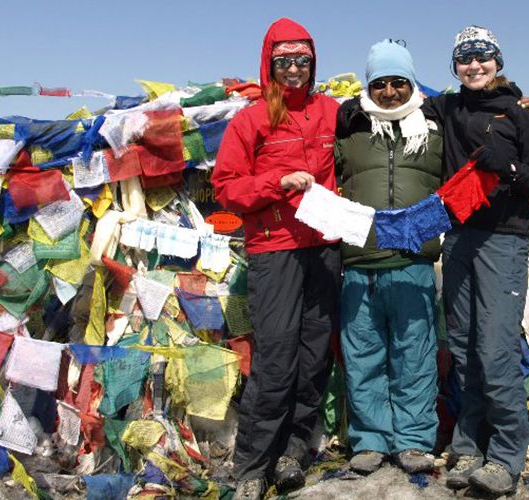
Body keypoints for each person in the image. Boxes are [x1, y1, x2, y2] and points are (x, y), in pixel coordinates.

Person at [426, 26, 529, 495]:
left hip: (503, 240)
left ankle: (506, 454)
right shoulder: (447, 108)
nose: (474, 65)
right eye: (465, 58)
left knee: (496, 348)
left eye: (483, 57)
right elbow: (396, 100)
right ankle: (468, 445)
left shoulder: (519, 114)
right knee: (463, 347)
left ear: (497, 62)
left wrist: (510, 168)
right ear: (454, 66)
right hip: (459, 236)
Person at [211, 18, 341, 500]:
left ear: (313, 63)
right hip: (275, 248)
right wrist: (276, 182)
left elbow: (390, 115)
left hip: (324, 247)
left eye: (301, 61)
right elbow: (226, 188)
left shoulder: (331, 111)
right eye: (283, 61)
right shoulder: (250, 120)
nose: (293, 70)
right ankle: (252, 464)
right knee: (277, 357)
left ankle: (293, 450)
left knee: (313, 353)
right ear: (269, 63)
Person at [334, 39, 443, 476]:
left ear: (411, 82)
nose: (391, 92)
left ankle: (414, 440)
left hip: (414, 263)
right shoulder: (349, 127)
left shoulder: (436, 126)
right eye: (381, 83)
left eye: (399, 82)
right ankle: (369, 440)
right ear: (369, 85)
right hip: (359, 264)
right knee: (363, 357)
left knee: (414, 356)